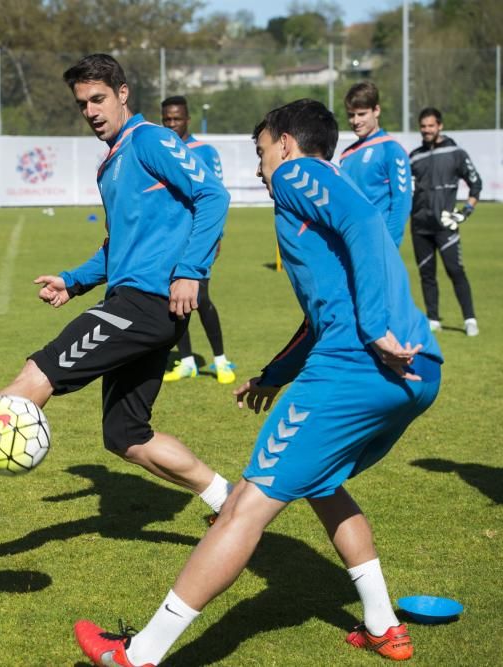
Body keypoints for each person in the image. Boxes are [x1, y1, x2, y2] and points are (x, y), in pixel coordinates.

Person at [75, 99, 441, 665]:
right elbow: (321, 314)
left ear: (288, 144)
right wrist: (274, 375)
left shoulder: (300, 174)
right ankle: (384, 626)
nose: (258, 168)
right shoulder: (322, 187)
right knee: (321, 483)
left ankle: (139, 654)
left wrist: (373, 327)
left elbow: (367, 223)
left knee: (244, 502)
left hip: (359, 366)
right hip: (417, 370)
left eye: (261, 151)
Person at [0, 54, 234, 520]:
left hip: (144, 304)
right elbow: (117, 247)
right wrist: (73, 280)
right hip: (137, 305)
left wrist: (191, 269)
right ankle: (229, 500)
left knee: (40, 369)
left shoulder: (150, 140)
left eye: (99, 99)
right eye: (83, 104)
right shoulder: (110, 167)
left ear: (123, 94)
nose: (91, 111)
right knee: (125, 436)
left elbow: (213, 195)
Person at [159, 95, 236, 384]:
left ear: (187, 119)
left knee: (201, 298)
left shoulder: (205, 152)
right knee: (175, 299)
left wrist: (217, 237)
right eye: (167, 119)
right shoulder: (161, 150)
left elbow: (217, 196)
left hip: (200, 239)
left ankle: (220, 361)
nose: (172, 124)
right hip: (171, 240)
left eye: (177, 118)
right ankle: (188, 361)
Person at [409, 107, 482, 336]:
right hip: (420, 226)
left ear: (439, 126)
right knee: (426, 274)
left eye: (431, 126)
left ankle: (470, 319)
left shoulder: (455, 152)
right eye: (423, 126)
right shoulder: (414, 156)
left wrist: (465, 211)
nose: (427, 130)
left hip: (446, 226)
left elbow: (476, 184)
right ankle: (433, 319)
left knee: (455, 270)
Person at [339, 82, 411, 246]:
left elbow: (402, 202)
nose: (355, 121)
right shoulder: (346, 155)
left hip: (378, 244)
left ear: (376, 111)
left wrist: (389, 246)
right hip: (349, 243)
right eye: (351, 115)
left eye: (362, 114)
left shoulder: (391, 150)